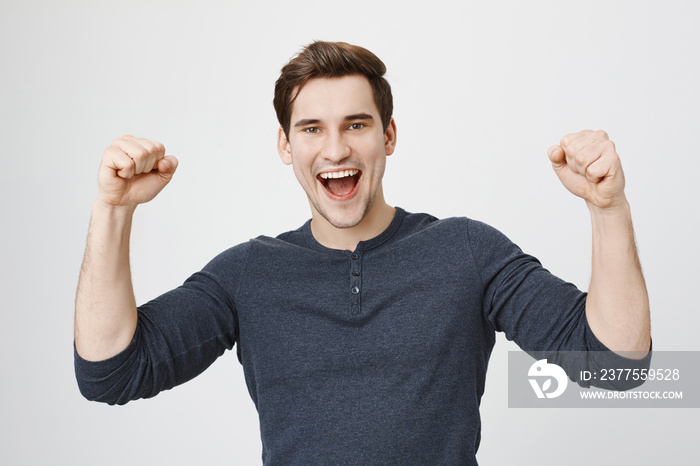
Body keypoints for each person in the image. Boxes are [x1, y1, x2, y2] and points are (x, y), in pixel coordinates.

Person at [74, 41, 651, 465]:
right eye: (311, 129)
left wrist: (607, 208)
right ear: (285, 145)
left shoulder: (466, 251)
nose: (335, 148)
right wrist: (113, 210)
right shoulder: (247, 275)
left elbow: (616, 366)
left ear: (389, 136)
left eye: (356, 124)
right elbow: (110, 374)